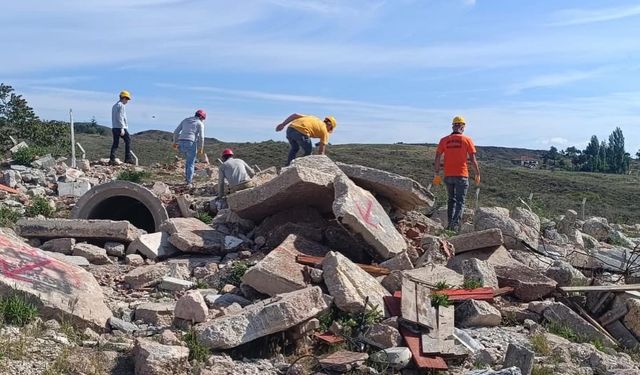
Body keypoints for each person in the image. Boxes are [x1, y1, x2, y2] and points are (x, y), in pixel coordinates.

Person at [433, 115, 481, 231]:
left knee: (451, 200)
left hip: (448, 175)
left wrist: (436, 173)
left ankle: (450, 224)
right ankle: (454, 226)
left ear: (453, 126)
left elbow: (438, 157)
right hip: (462, 175)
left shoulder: (444, 140)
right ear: (463, 127)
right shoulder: (467, 140)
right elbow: (473, 159)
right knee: (460, 201)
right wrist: (477, 174)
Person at [172, 109, 206, 188]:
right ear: (201, 117)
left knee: (188, 161)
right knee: (190, 163)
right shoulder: (199, 123)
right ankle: (189, 182)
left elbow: (176, 132)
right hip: (191, 143)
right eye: (203, 119)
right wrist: (201, 148)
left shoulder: (185, 120)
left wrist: (174, 143)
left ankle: (187, 179)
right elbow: (201, 137)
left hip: (180, 143)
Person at [110, 90, 134, 165]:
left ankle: (112, 159)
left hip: (114, 127)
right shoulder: (121, 106)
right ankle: (128, 158)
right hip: (120, 127)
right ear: (123, 98)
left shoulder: (114, 105)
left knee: (115, 143)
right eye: (127, 99)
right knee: (128, 140)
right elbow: (120, 117)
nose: (127, 101)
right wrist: (122, 128)